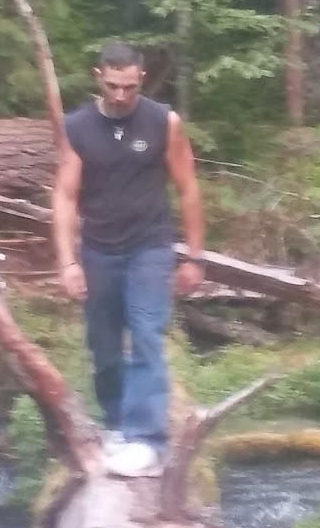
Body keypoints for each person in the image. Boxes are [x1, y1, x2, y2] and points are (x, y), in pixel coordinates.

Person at [52, 41, 205, 477]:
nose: (121, 96)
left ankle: (147, 439)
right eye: (113, 86)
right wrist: (67, 262)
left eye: (130, 87)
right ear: (98, 77)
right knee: (103, 346)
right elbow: (65, 196)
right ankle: (118, 424)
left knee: (146, 334)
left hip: (149, 247)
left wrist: (195, 256)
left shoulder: (163, 122)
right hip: (99, 249)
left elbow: (188, 188)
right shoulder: (77, 127)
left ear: (142, 79)